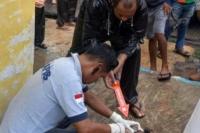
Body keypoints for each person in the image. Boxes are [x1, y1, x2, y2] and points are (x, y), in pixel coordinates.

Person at [0, 40, 143, 133]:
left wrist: (118, 118)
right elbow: (85, 129)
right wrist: (120, 129)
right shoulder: (69, 79)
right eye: (100, 77)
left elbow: (88, 96)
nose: (95, 81)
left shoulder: (65, 63)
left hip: (14, 128)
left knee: (77, 114)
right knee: (87, 128)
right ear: (97, 67)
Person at [69, 0, 148, 119]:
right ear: (112, 4)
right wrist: (107, 69)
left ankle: (130, 97)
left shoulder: (141, 6)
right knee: (78, 53)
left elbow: (136, 36)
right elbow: (89, 40)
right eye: (121, 14)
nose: (125, 18)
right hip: (97, 19)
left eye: (129, 16)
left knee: (134, 51)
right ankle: (70, 90)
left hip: (123, 30)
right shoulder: (95, 3)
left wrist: (120, 60)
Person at [145, 0, 172, 81]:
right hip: (146, 5)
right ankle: (153, 67)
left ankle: (165, 66)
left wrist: (168, 2)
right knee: (151, 37)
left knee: (159, 33)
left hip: (162, 5)